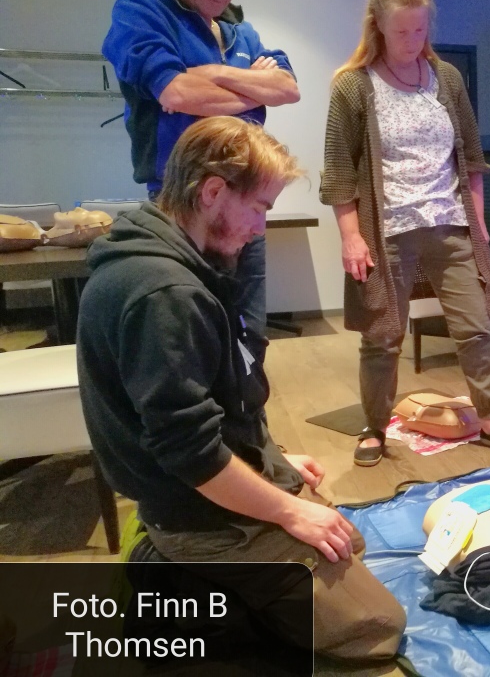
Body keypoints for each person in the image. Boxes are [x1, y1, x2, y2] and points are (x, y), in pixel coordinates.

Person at [77, 117, 406, 660]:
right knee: (374, 628)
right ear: (212, 192)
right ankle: (173, 583)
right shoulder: (165, 294)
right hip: (190, 512)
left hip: (187, 488)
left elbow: (217, 400)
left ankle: (213, 574)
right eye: (259, 207)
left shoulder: (173, 254)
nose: (259, 227)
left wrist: (269, 458)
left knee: (347, 541)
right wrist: (288, 511)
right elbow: (190, 451)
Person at [322, 0, 490, 466]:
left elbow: (472, 159)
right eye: (402, 31)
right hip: (386, 230)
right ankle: (374, 427)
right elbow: (338, 171)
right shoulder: (353, 86)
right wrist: (351, 237)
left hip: (451, 222)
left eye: (420, 30)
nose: (412, 40)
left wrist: (478, 223)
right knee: (382, 334)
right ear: (377, 25)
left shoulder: (447, 79)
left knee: (477, 326)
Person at [102, 0, 300, 339]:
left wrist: (214, 74)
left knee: (250, 332)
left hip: (248, 198)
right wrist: (252, 86)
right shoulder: (140, 11)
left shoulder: (242, 31)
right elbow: (175, 92)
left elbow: (287, 89)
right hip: (184, 201)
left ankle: (246, 385)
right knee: (189, 329)